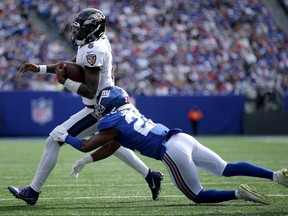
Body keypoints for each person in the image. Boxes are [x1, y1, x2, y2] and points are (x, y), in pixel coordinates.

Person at [8, 8, 163, 205]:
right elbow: (71, 64)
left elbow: (90, 90)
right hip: (102, 104)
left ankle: (32, 192)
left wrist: (64, 82)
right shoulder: (92, 43)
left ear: (94, 31)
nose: (77, 34)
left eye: (82, 30)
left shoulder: (94, 49)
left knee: (54, 139)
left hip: (98, 108)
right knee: (113, 145)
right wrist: (40, 69)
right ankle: (151, 175)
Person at [51, 86, 288, 205]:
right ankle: (276, 176)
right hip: (182, 138)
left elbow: (86, 144)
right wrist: (86, 161)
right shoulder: (129, 111)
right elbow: (112, 145)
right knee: (225, 167)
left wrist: (65, 136)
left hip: (171, 152)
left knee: (197, 195)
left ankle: (238, 193)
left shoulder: (112, 122)